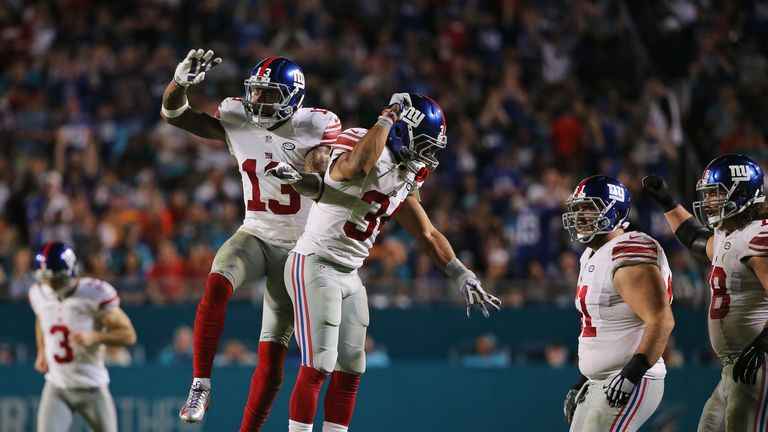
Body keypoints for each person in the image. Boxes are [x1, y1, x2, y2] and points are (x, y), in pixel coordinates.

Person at [268, 93, 501, 432]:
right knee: (319, 364)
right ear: (402, 131)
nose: (428, 155)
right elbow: (355, 167)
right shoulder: (362, 144)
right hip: (314, 263)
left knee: (352, 367)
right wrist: (387, 117)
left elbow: (427, 232)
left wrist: (459, 271)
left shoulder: (406, 174)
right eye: (423, 143)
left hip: (350, 271)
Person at [160, 49, 341, 430]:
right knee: (216, 284)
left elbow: (327, 179)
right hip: (256, 232)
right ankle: (200, 383)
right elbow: (174, 114)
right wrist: (179, 84)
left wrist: (305, 175)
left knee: (272, 363)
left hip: (300, 251)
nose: (257, 101)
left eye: (269, 94)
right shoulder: (236, 116)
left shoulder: (316, 126)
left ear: (292, 98)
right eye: (256, 92)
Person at [643, 154, 768, 431]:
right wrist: (668, 203)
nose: (709, 201)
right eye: (708, 193)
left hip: (759, 363)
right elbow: (697, 240)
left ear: (744, 192)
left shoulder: (759, 236)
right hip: (733, 367)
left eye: (716, 193)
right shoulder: (730, 233)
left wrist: (762, 344)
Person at [561, 176, 674, 431]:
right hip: (601, 380)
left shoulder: (629, 252)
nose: (580, 216)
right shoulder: (593, 253)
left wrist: (632, 374)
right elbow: (607, 328)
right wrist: (584, 378)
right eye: (577, 208)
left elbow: (661, 320)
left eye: (589, 207)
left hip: (630, 377)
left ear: (616, 211)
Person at [29, 242, 137, 432]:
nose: (50, 285)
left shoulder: (93, 294)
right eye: (46, 279)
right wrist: (42, 351)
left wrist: (96, 337)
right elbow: (41, 319)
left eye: (56, 279)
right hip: (57, 386)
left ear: (72, 272)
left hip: (92, 387)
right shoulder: (39, 293)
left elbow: (129, 335)